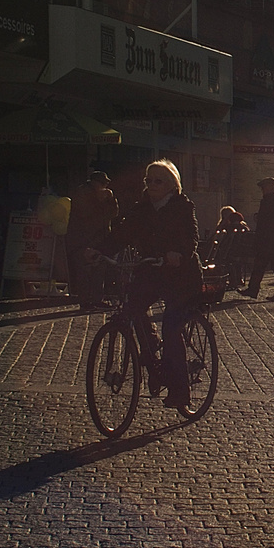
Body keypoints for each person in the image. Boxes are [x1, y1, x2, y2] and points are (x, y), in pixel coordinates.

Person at [88, 160, 200, 409]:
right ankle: (152, 362)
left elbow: (191, 237)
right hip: (151, 271)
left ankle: (181, 392)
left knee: (172, 329)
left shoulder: (182, 206)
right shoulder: (142, 209)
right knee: (131, 310)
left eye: (158, 181)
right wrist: (99, 250)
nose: (151, 185)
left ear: (172, 185)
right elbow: (122, 233)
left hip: (180, 275)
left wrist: (178, 253)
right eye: (148, 181)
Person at [66, 170, 117, 308]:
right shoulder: (82, 193)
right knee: (84, 271)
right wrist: (99, 200)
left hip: (100, 239)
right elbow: (86, 215)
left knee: (99, 270)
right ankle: (84, 301)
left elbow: (113, 213)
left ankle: (96, 299)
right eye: (103, 183)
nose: (105, 186)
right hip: (82, 240)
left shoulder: (104, 195)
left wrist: (110, 199)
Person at [246, 178, 274, 300]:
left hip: (269, 239)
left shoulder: (270, 200)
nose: (262, 190)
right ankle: (254, 289)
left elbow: (267, 221)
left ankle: (256, 290)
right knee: (268, 266)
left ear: (270, 187)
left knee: (270, 265)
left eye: (264, 188)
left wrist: (259, 219)